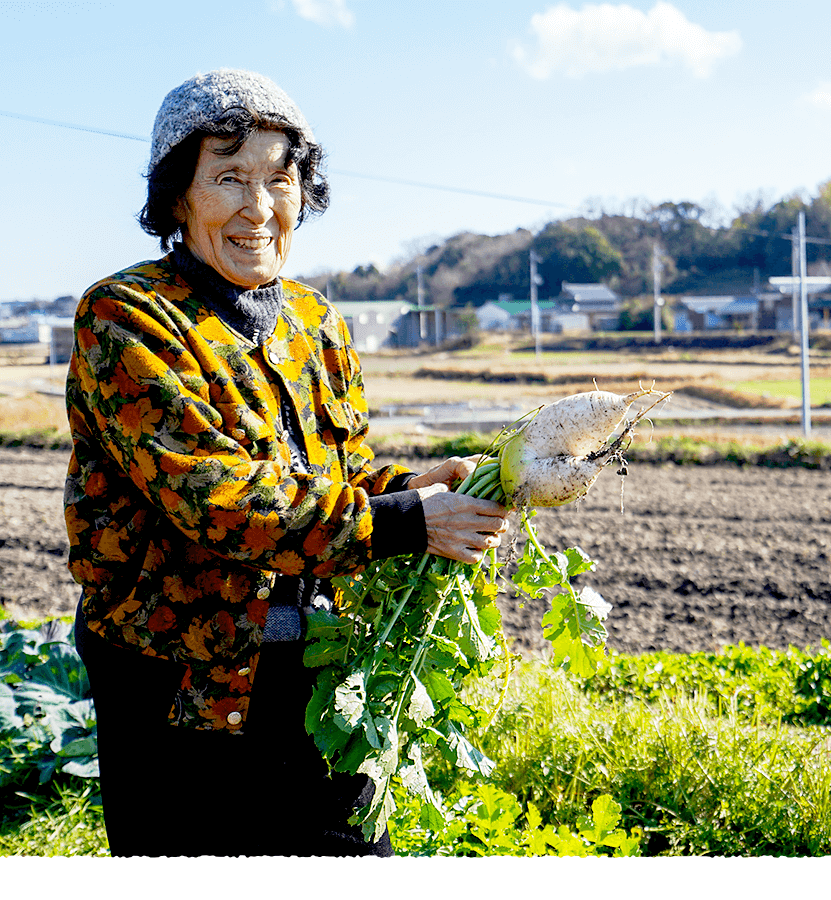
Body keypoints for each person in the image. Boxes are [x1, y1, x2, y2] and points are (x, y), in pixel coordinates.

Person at [64, 69, 509, 857]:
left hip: (321, 668)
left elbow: (338, 470)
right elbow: (217, 498)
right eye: (228, 177)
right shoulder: (127, 317)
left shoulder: (314, 319)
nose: (258, 207)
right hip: (180, 680)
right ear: (177, 196)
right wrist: (406, 522)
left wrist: (410, 486)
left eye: (280, 177)